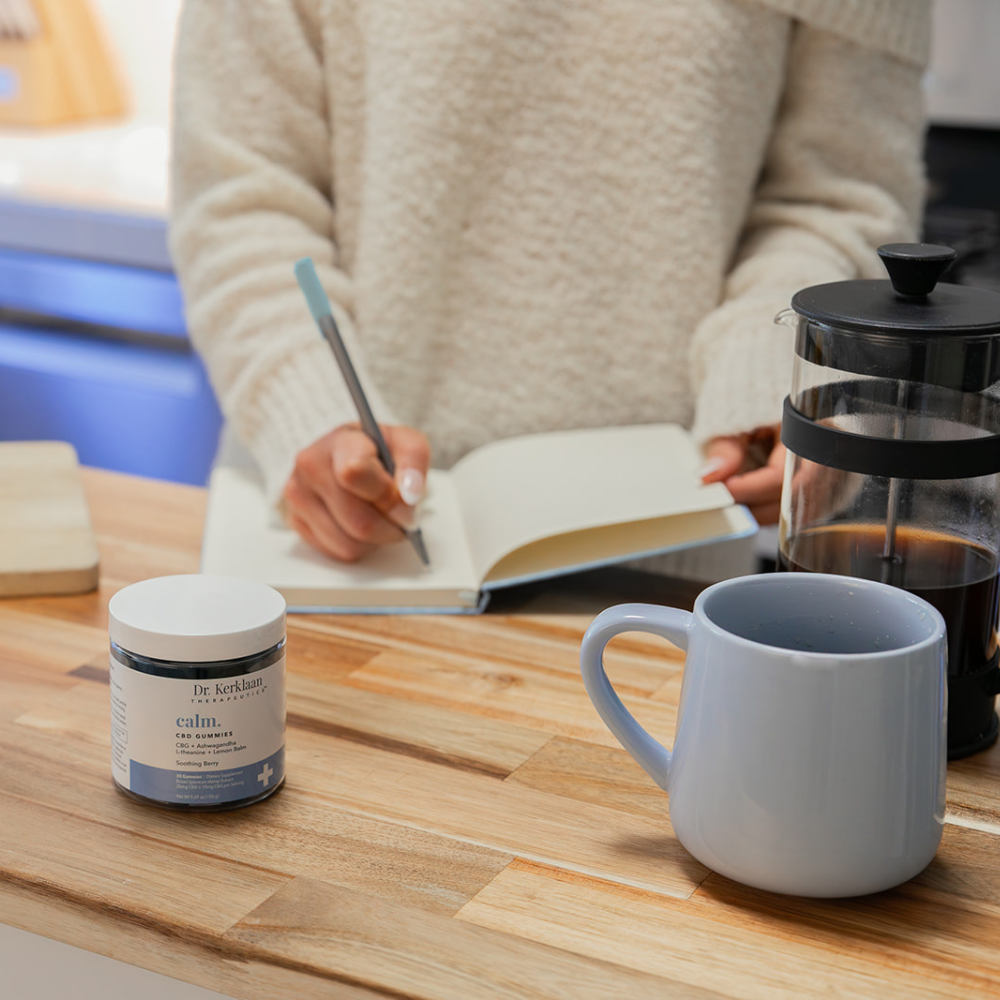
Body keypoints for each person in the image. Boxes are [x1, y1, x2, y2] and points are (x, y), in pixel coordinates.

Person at [170, 0, 931, 563]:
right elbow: (242, 196)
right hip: (348, 555)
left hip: (675, 551)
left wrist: (771, 374)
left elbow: (839, 194)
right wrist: (308, 405)